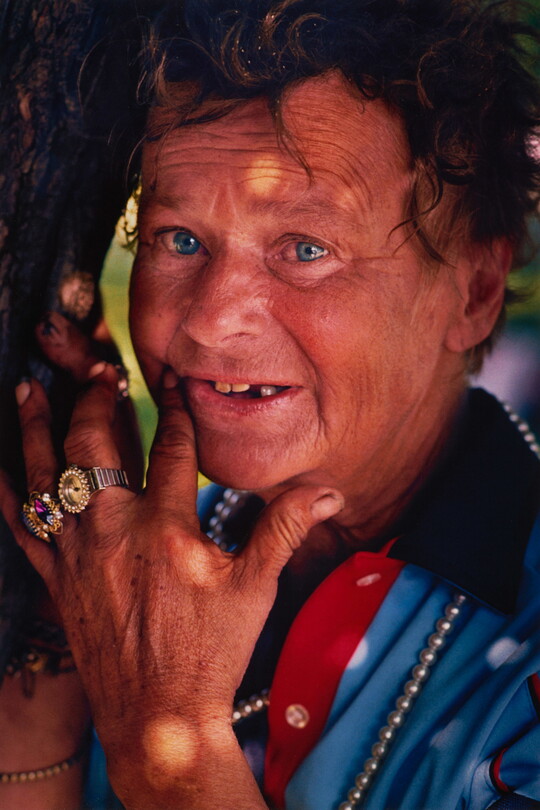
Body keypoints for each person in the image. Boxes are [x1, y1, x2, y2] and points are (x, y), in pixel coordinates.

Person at [0, 0, 540, 808]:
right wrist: (69, 610)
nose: (211, 320)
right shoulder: (138, 560)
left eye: (306, 249)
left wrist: (169, 749)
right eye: (179, 238)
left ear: (476, 291)